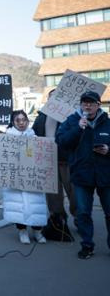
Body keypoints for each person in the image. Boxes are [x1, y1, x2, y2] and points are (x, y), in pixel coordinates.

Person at [56, 91, 110, 259]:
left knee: (109, 213)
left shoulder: (107, 123)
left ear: (98, 105)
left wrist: (108, 150)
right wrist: (78, 128)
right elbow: (62, 141)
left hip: (105, 175)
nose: (88, 105)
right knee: (83, 213)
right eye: (85, 102)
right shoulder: (72, 121)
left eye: (92, 103)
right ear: (80, 104)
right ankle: (87, 245)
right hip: (81, 175)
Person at [33, 89, 76, 242]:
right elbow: (34, 135)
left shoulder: (71, 116)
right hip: (48, 162)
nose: (54, 100)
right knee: (53, 196)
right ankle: (59, 220)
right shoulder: (41, 116)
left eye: (57, 97)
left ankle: (78, 215)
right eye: (51, 97)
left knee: (74, 193)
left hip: (67, 161)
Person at [3, 110, 47, 245]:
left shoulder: (35, 138)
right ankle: (22, 231)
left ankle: (38, 231)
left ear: (28, 121)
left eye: (24, 120)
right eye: (18, 120)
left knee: (36, 207)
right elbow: (1, 160)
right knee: (18, 207)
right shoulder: (6, 140)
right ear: (13, 122)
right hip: (15, 179)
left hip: (33, 179)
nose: (21, 123)